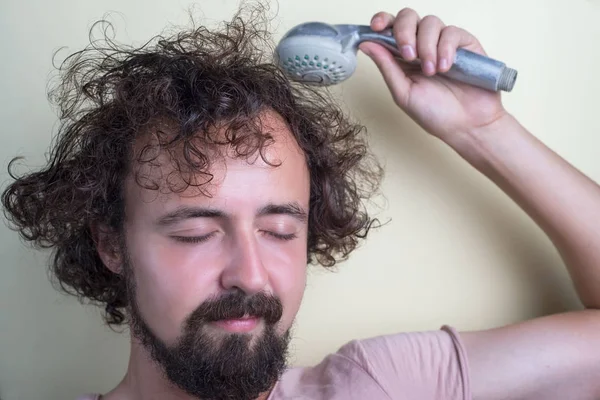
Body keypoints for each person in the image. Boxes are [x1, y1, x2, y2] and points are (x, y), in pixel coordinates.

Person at [2, 4, 600, 400]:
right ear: (111, 244)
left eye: (280, 230)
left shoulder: (380, 386)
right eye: (194, 232)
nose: (251, 273)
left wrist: (482, 130)